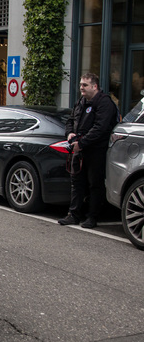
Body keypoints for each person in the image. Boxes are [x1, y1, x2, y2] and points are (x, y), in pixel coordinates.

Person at [58, 72, 118, 229]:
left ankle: (92, 217)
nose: (81, 88)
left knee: (95, 185)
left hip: (96, 151)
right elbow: (71, 120)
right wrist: (70, 133)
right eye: (80, 85)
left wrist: (82, 142)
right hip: (80, 149)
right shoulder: (81, 102)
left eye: (84, 85)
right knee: (77, 182)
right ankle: (74, 214)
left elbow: (100, 128)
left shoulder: (105, 103)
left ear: (95, 86)